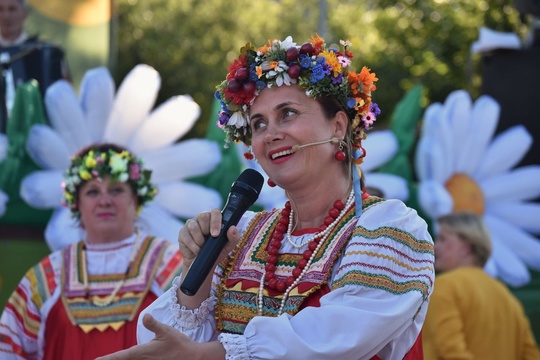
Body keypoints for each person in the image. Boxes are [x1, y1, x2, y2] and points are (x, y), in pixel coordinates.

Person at [98, 34, 435, 360]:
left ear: (338, 127)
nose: (271, 134)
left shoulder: (389, 228)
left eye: (288, 113)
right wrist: (197, 267)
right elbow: (166, 341)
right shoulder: (241, 233)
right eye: (258, 124)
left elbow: (332, 339)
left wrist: (208, 357)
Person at [0, 143, 183, 359]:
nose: (104, 201)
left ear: (135, 200)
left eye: (116, 190)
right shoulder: (47, 276)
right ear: (76, 204)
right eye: (92, 192)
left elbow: (196, 338)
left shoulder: (171, 265)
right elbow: (10, 349)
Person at [422, 211, 540, 359]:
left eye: (443, 239)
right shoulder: (507, 297)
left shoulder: (446, 285)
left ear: (466, 247)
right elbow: (531, 354)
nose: (435, 246)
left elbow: (452, 352)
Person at [0, 0, 69, 132]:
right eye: (1, 10)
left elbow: (63, 98)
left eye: (12, 9)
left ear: (25, 13)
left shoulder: (46, 52)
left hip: (38, 136)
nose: (6, 16)